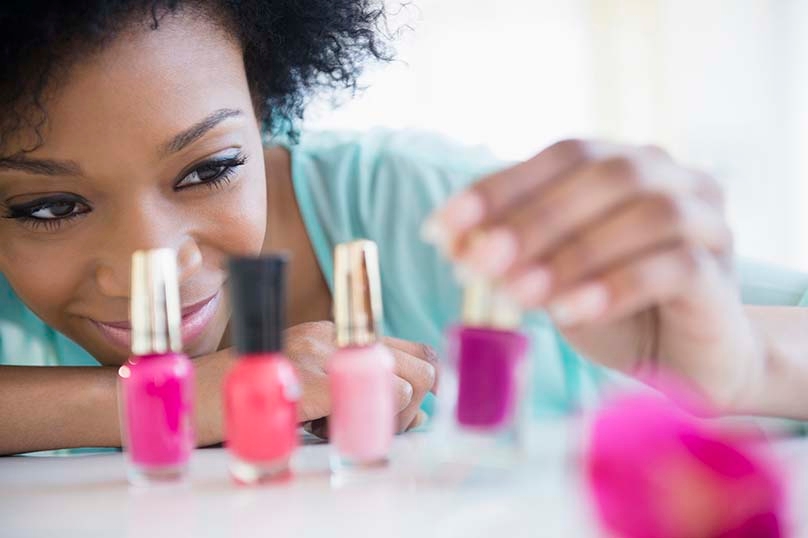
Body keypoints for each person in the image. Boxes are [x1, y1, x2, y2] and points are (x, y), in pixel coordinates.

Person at [1, 1, 807, 456]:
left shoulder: (437, 217)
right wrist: (180, 402)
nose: (154, 265)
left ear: (267, 106)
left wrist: (746, 360)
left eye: (210, 169)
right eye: (45, 208)